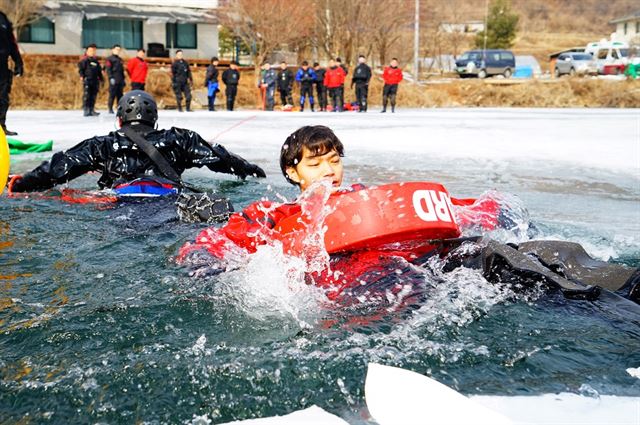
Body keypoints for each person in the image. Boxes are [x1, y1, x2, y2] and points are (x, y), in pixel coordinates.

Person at [7, 91, 265, 194]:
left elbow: (62, 166)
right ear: (155, 119)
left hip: (119, 202)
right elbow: (220, 159)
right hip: (168, 199)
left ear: (119, 120)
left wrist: (24, 181)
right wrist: (251, 169)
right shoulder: (179, 139)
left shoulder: (103, 144)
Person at [0, 11, 23, 136]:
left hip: (2, 65)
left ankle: (1, 128)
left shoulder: (3, 18)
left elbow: (12, 42)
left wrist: (18, 62)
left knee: (3, 97)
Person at [78, 44, 103, 117]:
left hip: (95, 81)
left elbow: (99, 71)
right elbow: (81, 70)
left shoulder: (96, 61)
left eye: (94, 51)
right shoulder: (84, 60)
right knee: (87, 95)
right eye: (91, 51)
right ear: (87, 51)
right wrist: (82, 76)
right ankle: (86, 109)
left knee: (93, 96)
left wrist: (101, 79)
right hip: (88, 80)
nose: (92, 52)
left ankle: (92, 110)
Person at [104, 44, 125, 114]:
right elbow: (108, 69)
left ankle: (120, 108)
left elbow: (122, 71)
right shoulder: (109, 59)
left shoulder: (120, 59)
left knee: (120, 96)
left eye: (119, 50)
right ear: (113, 50)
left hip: (120, 80)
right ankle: (110, 108)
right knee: (112, 95)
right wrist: (111, 78)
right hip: (113, 80)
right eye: (116, 49)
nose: (117, 51)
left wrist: (123, 79)